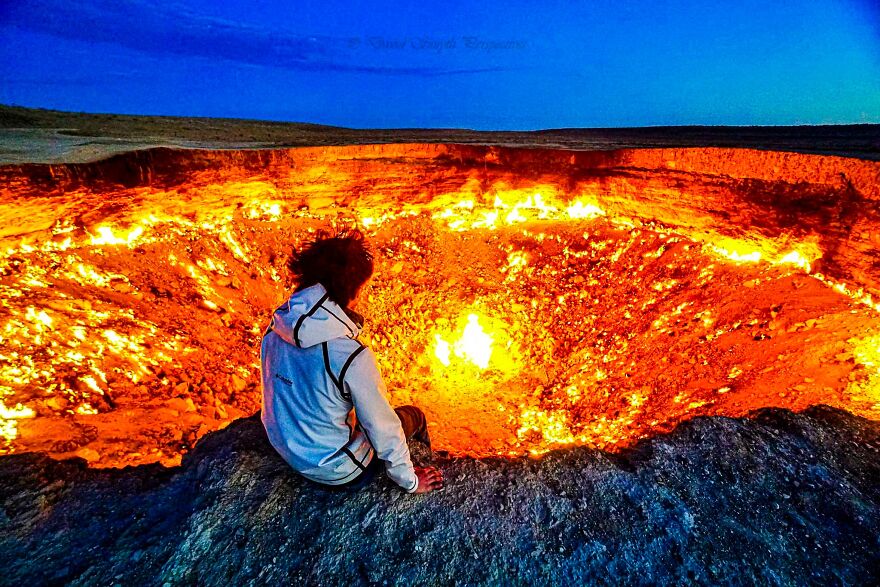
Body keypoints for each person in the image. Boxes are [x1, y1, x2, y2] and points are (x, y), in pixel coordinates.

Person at [260, 229, 444, 494]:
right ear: (352, 291)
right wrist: (410, 481)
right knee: (412, 416)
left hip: (285, 447)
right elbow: (382, 427)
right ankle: (424, 462)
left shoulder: (277, 326)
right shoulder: (348, 354)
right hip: (336, 469)